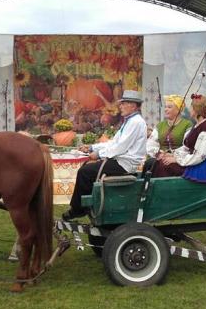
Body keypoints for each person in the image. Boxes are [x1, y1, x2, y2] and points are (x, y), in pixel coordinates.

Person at [62, 90, 147, 220]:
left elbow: (120, 147)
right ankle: (90, 205)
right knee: (87, 168)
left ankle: (79, 209)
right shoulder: (130, 121)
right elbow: (114, 143)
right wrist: (92, 148)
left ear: (134, 106)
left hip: (124, 164)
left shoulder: (136, 122)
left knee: (85, 172)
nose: (121, 106)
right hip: (119, 161)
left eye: (124, 103)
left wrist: (98, 154)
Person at [152, 93, 206, 183]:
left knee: (165, 165)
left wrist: (177, 160)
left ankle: (165, 192)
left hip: (205, 166)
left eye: (191, 107)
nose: (190, 110)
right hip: (193, 162)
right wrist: (173, 154)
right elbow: (187, 147)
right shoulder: (197, 125)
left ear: (196, 110)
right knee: (160, 162)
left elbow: (199, 156)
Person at [144, 95, 192, 174]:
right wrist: (159, 153)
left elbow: (188, 146)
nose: (166, 109)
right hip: (160, 159)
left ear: (178, 109)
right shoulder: (160, 125)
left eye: (169, 107)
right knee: (150, 163)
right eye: (165, 107)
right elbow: (151, 144)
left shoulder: (187, 125)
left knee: (167, 166)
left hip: (177, 161)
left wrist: (173, 155)